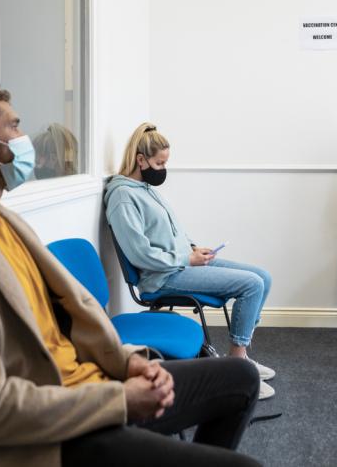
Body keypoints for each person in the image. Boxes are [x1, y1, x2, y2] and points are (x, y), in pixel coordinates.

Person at [0, 78, 262, 467]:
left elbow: (69, 327)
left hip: (97, 382)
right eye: (13, 127)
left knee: (241, 379)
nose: (24, 138)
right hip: (57, 429)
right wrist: (120, 400)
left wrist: (129, 362)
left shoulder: (9, 222)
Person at [105, 123, 275, 400]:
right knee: (252, 285)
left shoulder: (145, 189)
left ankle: (240, 355)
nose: (162, 169)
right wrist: (186, 257)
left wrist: (194, 248)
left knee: (263, 277)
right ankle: (237, 363)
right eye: (159, 162)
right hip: (162, 276)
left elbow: (172, 232)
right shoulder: (122, 197)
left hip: (182, 263)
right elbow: (139, 254)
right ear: (140, 159)